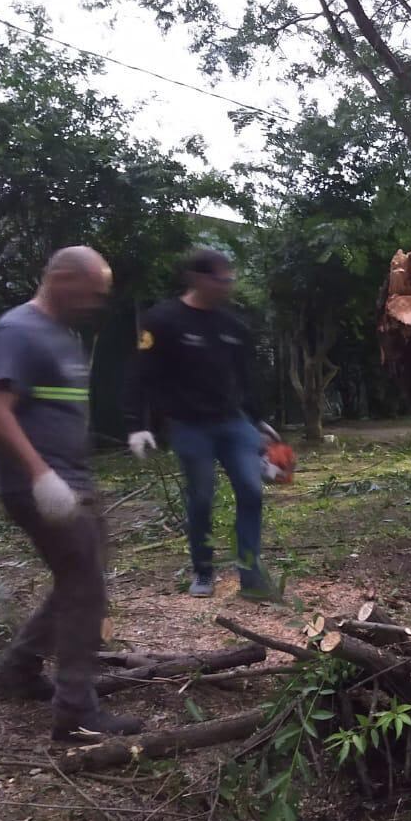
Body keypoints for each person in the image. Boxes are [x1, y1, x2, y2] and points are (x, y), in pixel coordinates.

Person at [0, 246, 143, 742]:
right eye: (91, 292)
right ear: (63, 278)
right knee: (85, 587)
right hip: (42, 485)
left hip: (74, 481)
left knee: (79, 580)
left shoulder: (63, 335)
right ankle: (75, 712)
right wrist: (41, 476)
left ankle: (19, 671)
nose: (96, 303)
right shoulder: (17, 331)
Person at [123, 248, 280, 601]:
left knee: (252, 491)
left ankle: (251, 575)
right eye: (221, 278)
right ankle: (203, 571)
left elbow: (245, 377)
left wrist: (258, 420)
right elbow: (139, 373)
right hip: (189, 426)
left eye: (230, 278)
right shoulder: (163, 321)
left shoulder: (232, 326)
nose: (228, 285)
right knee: (202, 499)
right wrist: (137, 424)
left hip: (233, 423)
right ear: (197, 278)